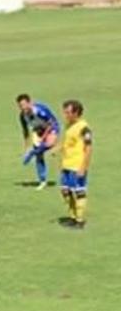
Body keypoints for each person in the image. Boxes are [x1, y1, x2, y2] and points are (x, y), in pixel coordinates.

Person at [58, 99, 92, 229]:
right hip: (67, 165)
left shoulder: (84, 128)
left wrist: (84, 167)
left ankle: (80, 220)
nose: (65, 115)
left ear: (76, 112)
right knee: (65, 191)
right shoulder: (68, 125)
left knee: (79, 192)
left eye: (67, 112)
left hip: (77, 165)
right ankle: (72, 217)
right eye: (64, 112)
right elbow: (67, 144)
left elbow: (89, 148)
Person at [16, 94, 60, 190]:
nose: (23, 108)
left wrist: (43, 138)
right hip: (38, 131)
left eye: (24, 105)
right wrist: (26, 147)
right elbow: (25, 132)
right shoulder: (22, 116)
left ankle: (33, 152)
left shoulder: (39, 110)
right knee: (39, 155)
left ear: (29, 103)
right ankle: (42, 181)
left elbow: (50, 123)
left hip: (52, 127)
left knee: (49, 144)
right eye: (20, 106)